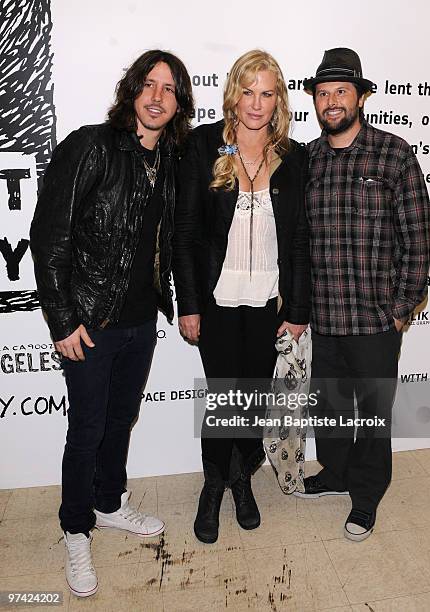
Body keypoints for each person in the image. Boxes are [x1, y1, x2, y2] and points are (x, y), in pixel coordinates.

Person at [30, 49, 193, 596]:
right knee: (87, 429)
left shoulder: (170, 160)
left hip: (141, 322)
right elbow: (49, 236)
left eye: (169, 90)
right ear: (131, 91)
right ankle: (76, 527)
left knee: (121, 420)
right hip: (89, 324)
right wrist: (61, 320)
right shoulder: (90, 146)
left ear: (178, 104)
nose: (156, 97)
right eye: (149, 85)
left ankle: (108, 502)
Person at [173, 49, 310, 544]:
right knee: (224, 397)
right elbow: (185, 231)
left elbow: (299, 239)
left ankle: (241, 481)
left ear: (278, 99)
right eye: (248, 91)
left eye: (267, 93)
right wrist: (187, 303)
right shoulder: (204, 144)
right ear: (234, 92)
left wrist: (297, 309)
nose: (256, 103)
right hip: (217, 300)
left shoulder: (293, 157)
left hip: (267, 302)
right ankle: (214, 487)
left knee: (252, 401)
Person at [297, 48, 430, 541]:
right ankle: (334, 474)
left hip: (376, 321)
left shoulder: (394, 153)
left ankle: (366, 496)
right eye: (323, 93)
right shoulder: (307, 158)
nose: (331, 101)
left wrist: (401, 308)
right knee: (329, 408)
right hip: (325, 318)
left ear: (361, 96)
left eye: (341, 92)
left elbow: (417, 237)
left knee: (373, 414)